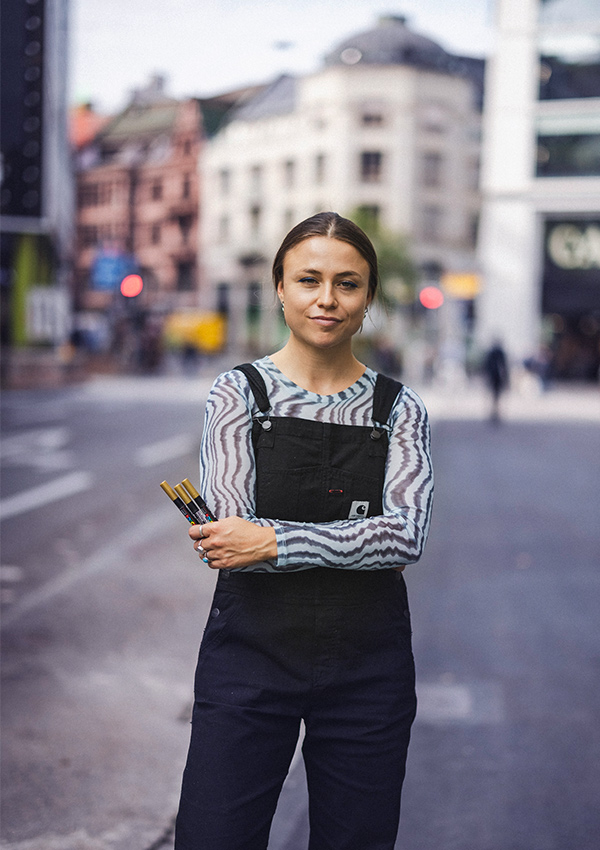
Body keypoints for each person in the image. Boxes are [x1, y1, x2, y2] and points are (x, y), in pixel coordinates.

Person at [174, 212, 434, 850]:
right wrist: (357, 541)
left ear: (368, 297)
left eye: (347, 283)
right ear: (280, 289)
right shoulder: (238, 394)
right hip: (249, 659)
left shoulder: (400, 407)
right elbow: (234, 545)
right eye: (309, 280)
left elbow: (405, 538)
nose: (327, 299)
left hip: (369, 668)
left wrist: (277, 540)